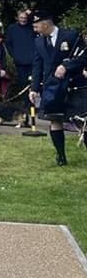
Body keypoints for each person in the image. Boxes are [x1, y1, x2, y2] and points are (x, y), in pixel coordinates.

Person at [29, 12, 83, 166]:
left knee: (82, 122)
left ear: (46, 24)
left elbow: (83, 57)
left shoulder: (71, 36)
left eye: (36, 26)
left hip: (73, 85)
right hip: (51, 86)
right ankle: (61, 156)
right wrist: (34, 88)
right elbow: (37, 66)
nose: (35, 29)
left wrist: (66, 66)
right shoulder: (39, 42)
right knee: (55, 119)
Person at [5, 8, 35, 99]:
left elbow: (38, 19)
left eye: (25, 17)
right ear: (17, 18)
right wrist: (14, 55)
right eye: (21, 17)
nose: (23, 19)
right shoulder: (12, 28)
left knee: (34, 82)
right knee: (23, 83)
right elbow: (8, 44)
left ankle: (35, 103)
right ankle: (26, 103)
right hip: (20, 61)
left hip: (33, 60)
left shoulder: (32, 27)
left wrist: (31, 14)